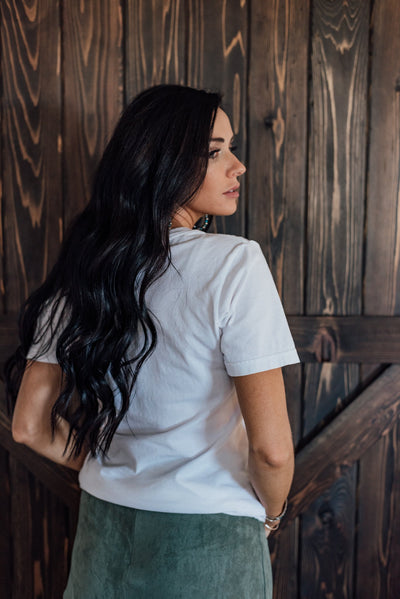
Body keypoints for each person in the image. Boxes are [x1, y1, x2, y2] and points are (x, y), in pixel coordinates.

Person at [6, 84, 299, 598]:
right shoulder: (235, 264)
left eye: (231, 148)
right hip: (209, 542)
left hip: (103, 536)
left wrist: (112, 470)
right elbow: (272, 452)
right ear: (163, 163)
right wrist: (271, 515)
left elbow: (28, 426)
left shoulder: (87, 268)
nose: (238, 166)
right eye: (214, 152)